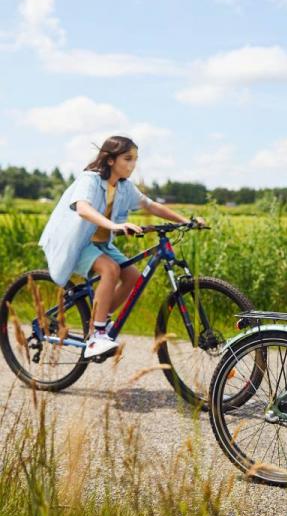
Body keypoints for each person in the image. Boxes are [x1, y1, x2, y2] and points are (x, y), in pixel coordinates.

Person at [39, 135, 202, 359]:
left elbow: (150, 205)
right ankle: (97, 336)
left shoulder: (124, 187)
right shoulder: (90, 179)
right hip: (76, 243)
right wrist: (114, 225)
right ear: (110, 160)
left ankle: (101, 319)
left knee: (133, 277)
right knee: (110, 270)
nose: (132, 165)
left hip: (101, 243)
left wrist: (185, 221)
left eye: (135, 159)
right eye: (127, 158)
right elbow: (83, 209)